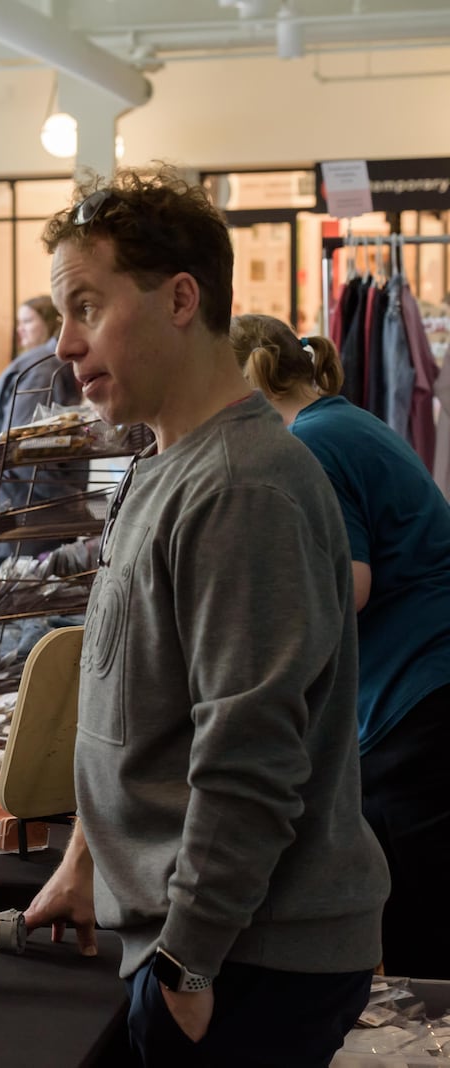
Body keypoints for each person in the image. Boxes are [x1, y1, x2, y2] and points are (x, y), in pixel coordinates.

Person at [20, 168, 389, 1067]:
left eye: (87, 307)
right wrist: (84, 862)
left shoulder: (242, 485)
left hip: (250, 950)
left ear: (181, 298)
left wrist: (188, 960)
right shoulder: (166, 462)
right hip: (201, 931)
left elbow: (252, 752)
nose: (65, 344)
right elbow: (133, 701)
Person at [231, 312, 450, 981]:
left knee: (421, 933)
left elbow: (344, 587)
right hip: (420, 691)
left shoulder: (314, 444)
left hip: (414, 703)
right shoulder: (343, 421)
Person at [0, 295, 83, 587]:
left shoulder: (45, 366)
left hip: (6, 514)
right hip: (5, 519)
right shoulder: (44, 371)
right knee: (1, 624)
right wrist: (78, 503)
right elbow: (24, 455)